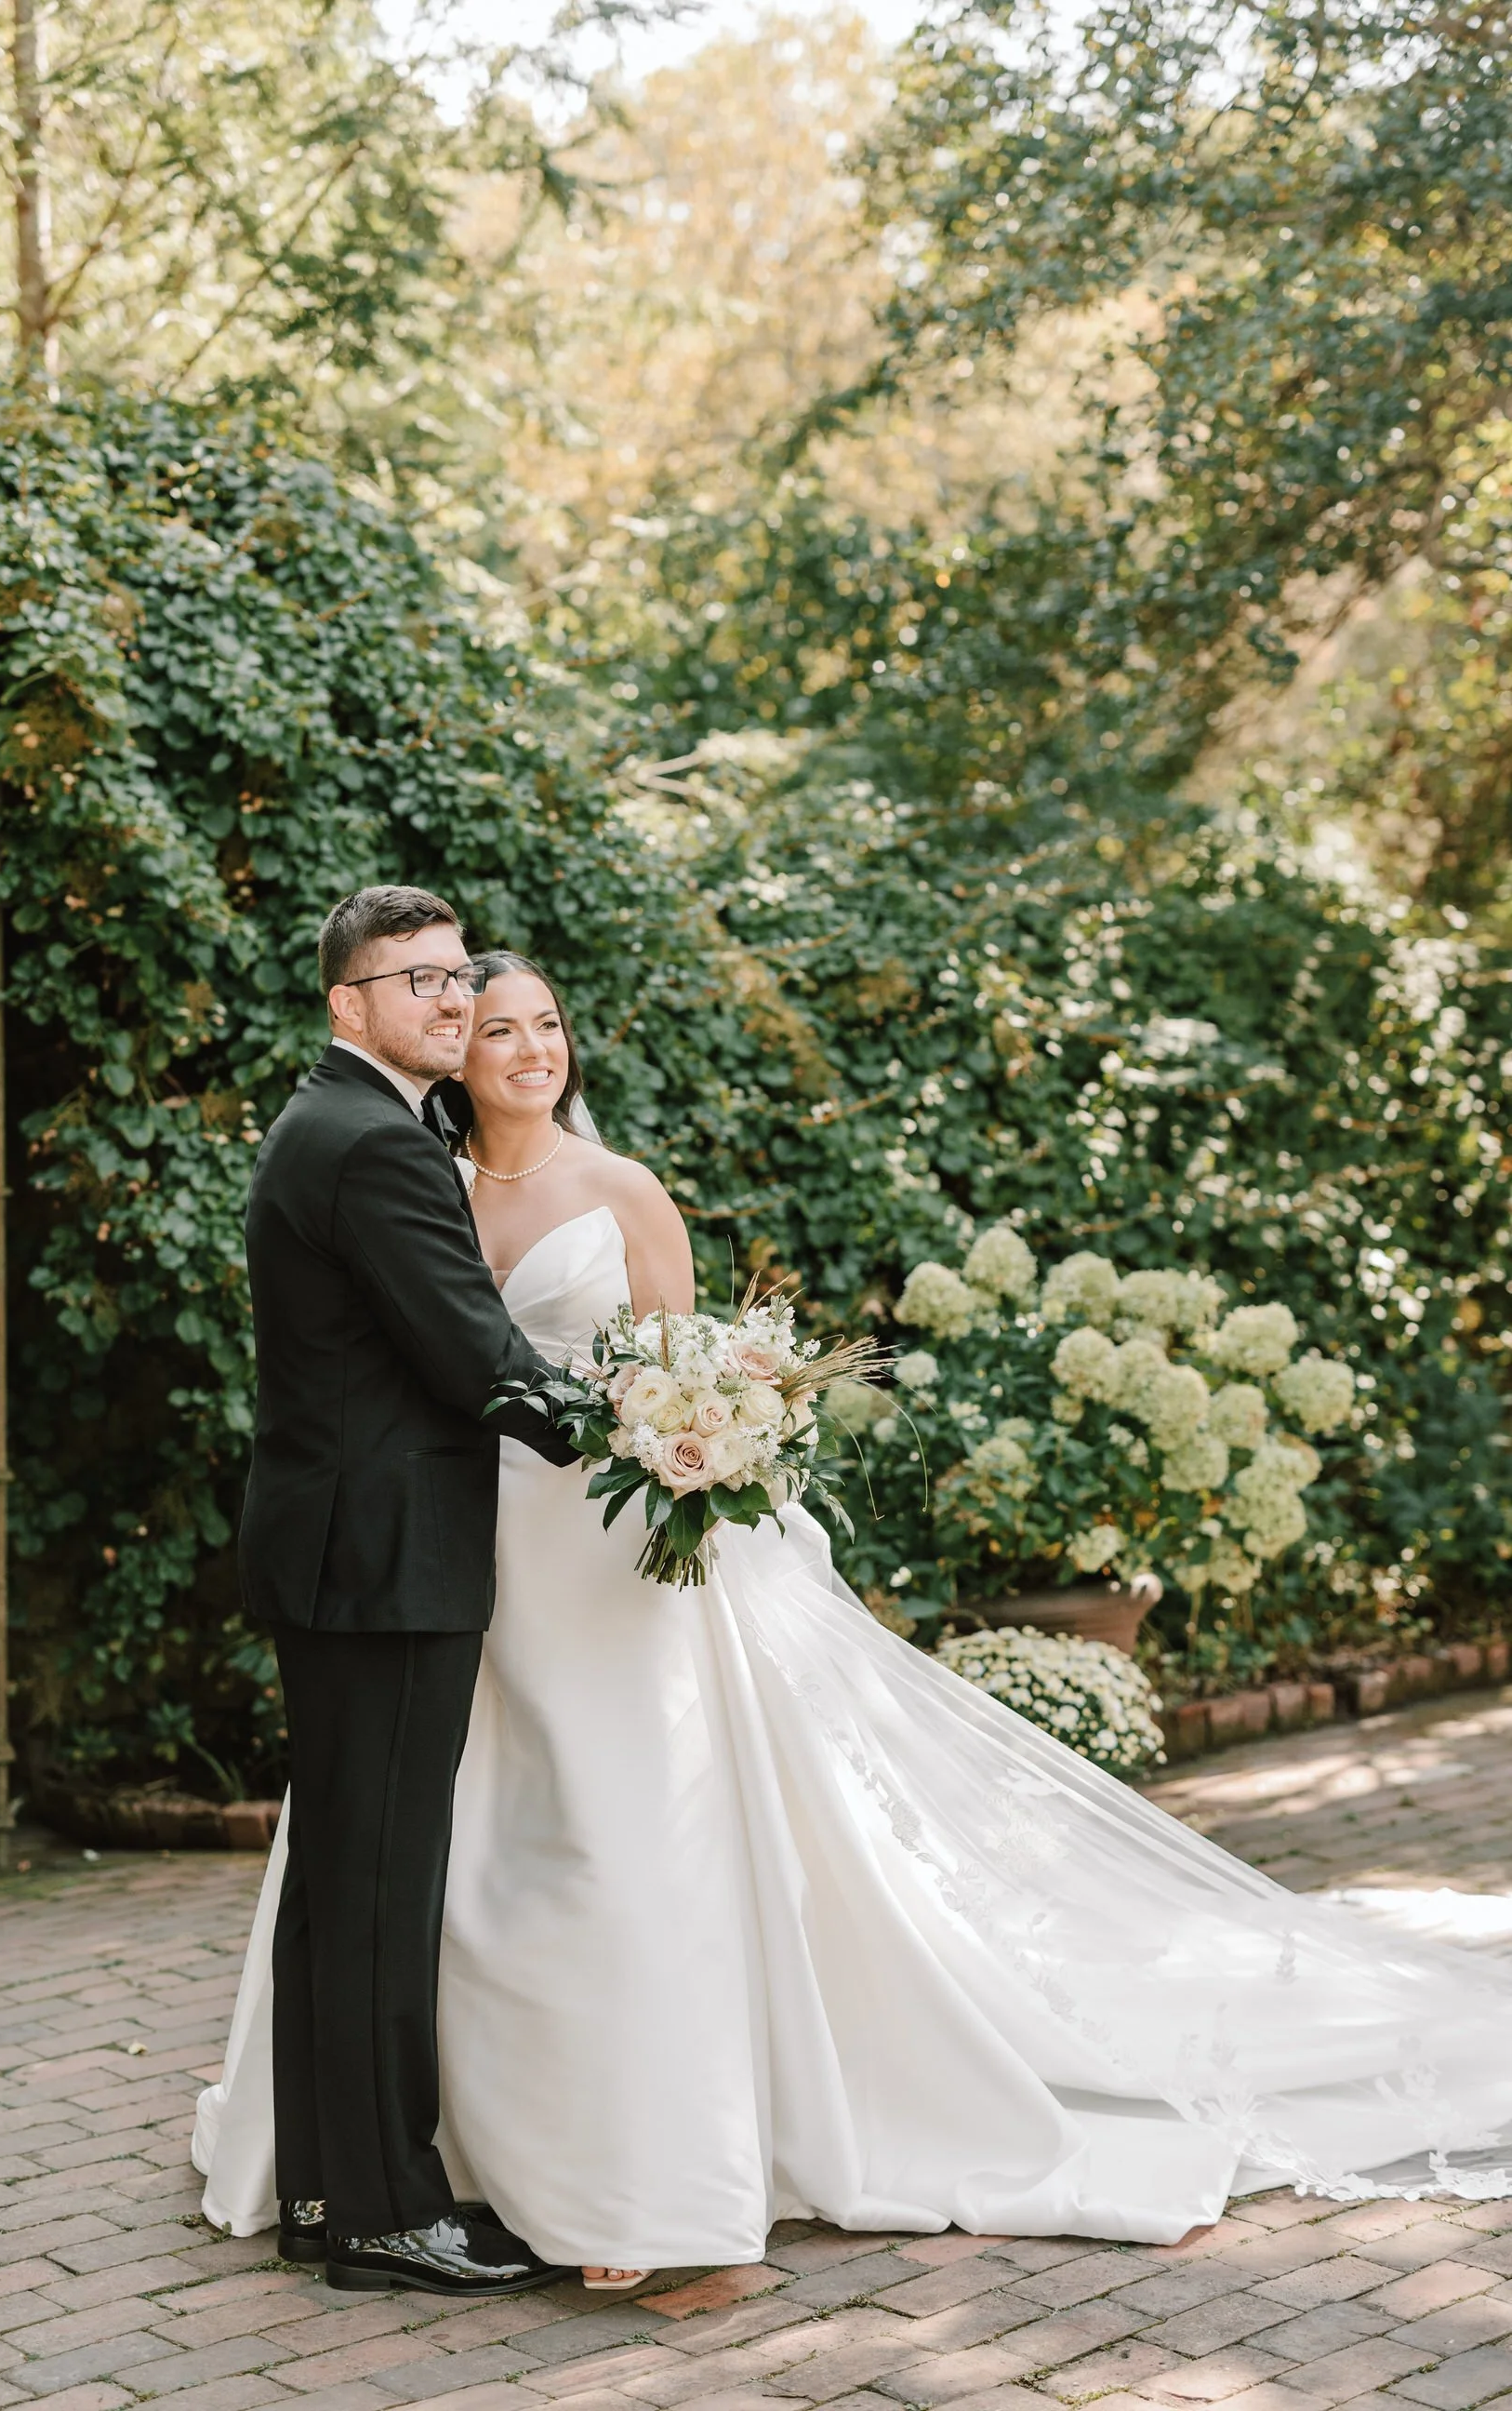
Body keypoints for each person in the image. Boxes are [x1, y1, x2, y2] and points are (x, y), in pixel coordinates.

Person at [199, 950, 1512, 2284]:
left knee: (609, 1836)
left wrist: (689, 1430)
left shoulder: (619, 1191)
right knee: (453, 1864)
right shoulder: (416, 1174)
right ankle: (433, 2167)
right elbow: (449, 1363)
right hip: (455, 1552)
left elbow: (676, 1353)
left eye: (547, 1024)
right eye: (493, 1027)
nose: (528, 1048)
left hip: (592, 1552)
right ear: (446, 1048)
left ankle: (600, 2157)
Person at [234, 891, 579, 2299]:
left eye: (457, 975)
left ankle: (326, 2185)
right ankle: (387, 2213)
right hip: (384, 1564)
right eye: (417, 980)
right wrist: (656, 1438)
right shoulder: (373, 1143)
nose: (449, 1000)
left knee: (338, 1887)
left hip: (341, 1555)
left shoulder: (340, 1123)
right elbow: (473, 1355)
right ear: (347, 1004)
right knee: (381, 1891)